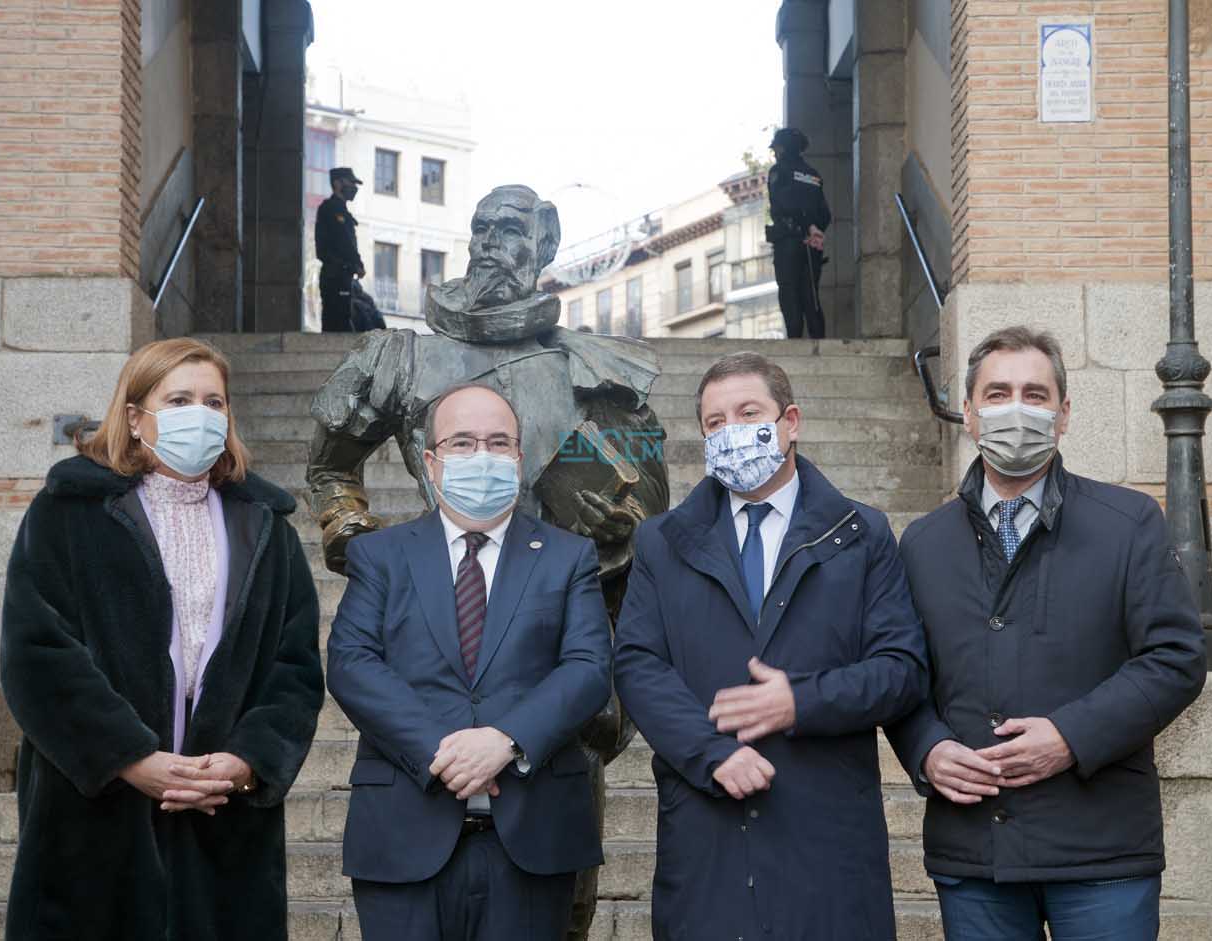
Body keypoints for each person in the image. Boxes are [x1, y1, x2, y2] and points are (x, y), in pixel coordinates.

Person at [307, 183, 668, 940]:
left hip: (557, 653)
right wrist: (358, 535)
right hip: (430, 648)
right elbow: (331, 467)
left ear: (546, 243)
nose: (491, 243)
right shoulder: (399, 359)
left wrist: (617, 524)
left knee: (563, 901)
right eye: (481, 227)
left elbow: (649, 504)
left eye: (511, 230)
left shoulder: (598, 373)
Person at [886, 327, 1207, 940]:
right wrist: (926, 749)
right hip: (974, 853)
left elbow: (1176, 657)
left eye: (1035, 395)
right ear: (971, 414)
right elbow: (901, 673)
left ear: (1063, 416)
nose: (1016, 409)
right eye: (998, 393)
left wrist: (1069, 736)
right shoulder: (923, 543)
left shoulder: (1128, 522)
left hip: (1102, 851)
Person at [0, 337, 325, 941]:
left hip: (223, 820)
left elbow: (295, 666)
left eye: (214, 402)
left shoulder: (265, 527)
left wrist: (246, 763)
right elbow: (37, 654)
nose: (201, 414)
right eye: (178, 399)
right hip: (94, 821)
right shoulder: (70, 513)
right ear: (134, 416)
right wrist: (130, 758)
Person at [613, 351, 930, 939]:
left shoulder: (862, 534)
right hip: (707, 830)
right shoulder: (663, 541)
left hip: (825, 834)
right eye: (715, 422)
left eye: (748, 412)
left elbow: (901, 669)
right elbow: (637, 664)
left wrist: (801, 702)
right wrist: (712, 753)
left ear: (790, 422)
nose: (731, 431)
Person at [327, 382, 612, 939]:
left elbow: (587, 668)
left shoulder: (568, 555)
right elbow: (351, 663)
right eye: (462, 443)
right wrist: (442, 751)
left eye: (498, 442)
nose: (482, 456)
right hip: (403, 836)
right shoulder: (380, 554)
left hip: (533, 841)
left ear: (519, 459)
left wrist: (505, 740)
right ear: (431, 463)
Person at [766, 127, 831, 339]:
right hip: (813, 244)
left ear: (783, 148)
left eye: (776, 148)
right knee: (810, 294)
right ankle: (818, 340)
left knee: (790, 292)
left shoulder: (779, 171)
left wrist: (804, 226)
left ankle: (795, 341)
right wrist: (814, 229)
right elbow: (825, 213)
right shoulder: (813, 175)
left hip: (789, 240)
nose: (775, 152)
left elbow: (782, 204)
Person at [315, 166, 366, 333]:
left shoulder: (342, 211)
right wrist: (352, 263)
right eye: (350, 182)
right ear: (337, 183)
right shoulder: (330, 209)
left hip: (343, 276)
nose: (354, 187)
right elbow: (340, 244)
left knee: (343, 319)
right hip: (334, 275)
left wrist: (356, 264)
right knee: (335, 323)